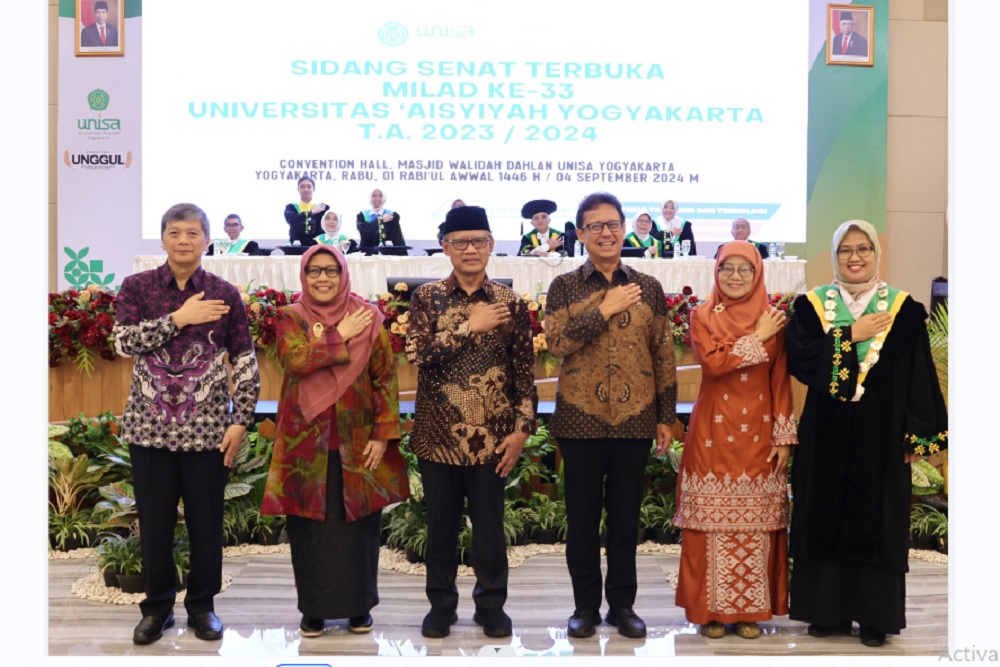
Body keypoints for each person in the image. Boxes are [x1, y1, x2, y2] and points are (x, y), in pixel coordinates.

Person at [786, 220, 948, 648]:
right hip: (826, 431)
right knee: (823, 509)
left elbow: (919, 374)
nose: (855, 258)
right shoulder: (810, 306)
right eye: (845, 251)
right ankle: (825, 611)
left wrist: (917, 437)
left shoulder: (904, 309)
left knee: (878, 514)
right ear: (835, 256)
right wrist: (848, 336)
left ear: (876, 254)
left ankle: (874, 615)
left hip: (883, 432)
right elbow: (801, 361)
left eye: (864, 249)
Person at [113, 203, 260, 645]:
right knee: (155, 524)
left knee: (205, 524)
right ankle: (157, 610)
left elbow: (246, 360)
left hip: (208, 433)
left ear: (206, 241)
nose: (183, 240)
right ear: (162, 239)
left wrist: (242, 420)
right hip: (149, 430)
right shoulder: (137, 287)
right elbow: (123, 342)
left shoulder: (223, 293)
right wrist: (179, 319)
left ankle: (202, 607)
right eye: (175, 232)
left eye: (193, 233)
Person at [544, 192, 677, 639]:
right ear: (580, 234)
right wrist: (603, 310)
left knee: (624, 522)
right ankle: (584, 607)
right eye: (595, 226)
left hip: (636, 419)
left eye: (613, 224)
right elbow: (557, 343)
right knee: (582, 522)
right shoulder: (564, 286)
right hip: (580, 421)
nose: (606, 232)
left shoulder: (648, 287)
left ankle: (622, 605)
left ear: (624, 229)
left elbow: (663, 354)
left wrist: (665, 415)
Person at [260, 244, 409, 637]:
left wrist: (383, 434)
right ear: (303, 276)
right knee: (308, 530)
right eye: (314, 271)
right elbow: (294, 360)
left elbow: (385, 377)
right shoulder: (290, 317)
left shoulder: (369, 317)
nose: (323, 278)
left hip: (358, 440)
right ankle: (313, 610)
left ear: (343, 274)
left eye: (330, 270)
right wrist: (338, 335)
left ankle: (359, 608)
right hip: (303, 445)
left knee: (359, 527)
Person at [405, 205, 538, 640]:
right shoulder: (426, 298)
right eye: (460, 241)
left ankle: (491, 605)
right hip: (437, 435)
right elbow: (418, 356)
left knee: (489, 531)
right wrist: (469, 325)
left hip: (493, 440)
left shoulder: (510, 302)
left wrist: (521, 430)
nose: (470, 249)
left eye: (478, 240)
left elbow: (524, 374)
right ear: (445, 247)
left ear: (491, 245)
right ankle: (441, 606)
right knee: (440, 529)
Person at [674, 241, 794, 640]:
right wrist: (757, 338)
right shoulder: (702, 314)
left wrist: (784, 436)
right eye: (728, 269)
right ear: (717, 272)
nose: (737, 276)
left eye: (745, 269)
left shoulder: (773, 318)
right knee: (709, 523)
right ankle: (707, 611)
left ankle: (748, 612)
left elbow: (779, 379)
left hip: (761, 430)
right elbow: (713, 363)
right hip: (713, 429)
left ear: (758, 273)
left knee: (756, 524)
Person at [284, 177, 327, 246]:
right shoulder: (291, 207)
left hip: (316, 246)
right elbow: (292, 219)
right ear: (298, 190)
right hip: (296, 245)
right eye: (302, 187)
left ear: (314, 189)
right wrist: (311, 212)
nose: (306, 189)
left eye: (309, 187)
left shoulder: (322, 208)